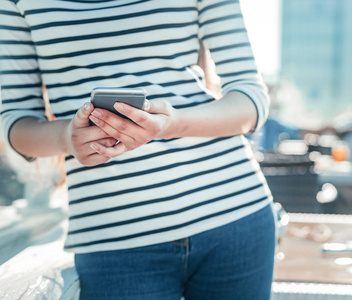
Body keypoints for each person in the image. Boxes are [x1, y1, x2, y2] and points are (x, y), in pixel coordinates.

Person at [0, 1, 275, 299]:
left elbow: (251, 99)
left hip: (234, 212)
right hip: (112, 241)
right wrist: (67, 138)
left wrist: (175, 124)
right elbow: (15, 121)